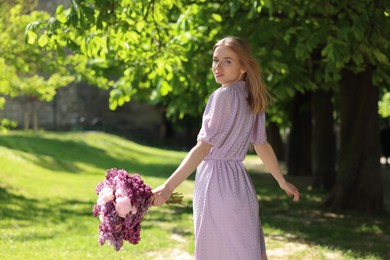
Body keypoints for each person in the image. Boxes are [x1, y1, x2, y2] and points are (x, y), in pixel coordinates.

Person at [152, 36, 300, 260]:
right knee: (245, 250)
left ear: (243, 68)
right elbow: (261, 144)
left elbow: (202, 149)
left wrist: (168, 187)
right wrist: (281, 181)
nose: (217, 67)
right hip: (240, 185)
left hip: (216, 184)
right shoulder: (252, 98)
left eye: (227, 61)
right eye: (215, 60)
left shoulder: (222, 96)